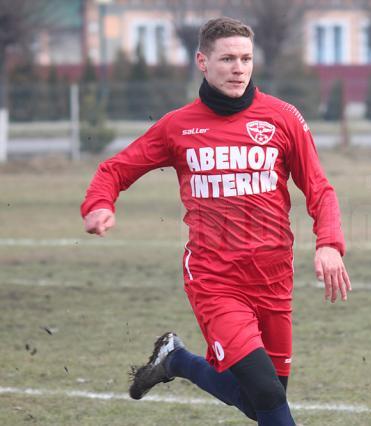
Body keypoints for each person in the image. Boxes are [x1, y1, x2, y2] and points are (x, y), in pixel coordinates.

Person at [81, 17, 351, 425]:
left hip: (274, 278)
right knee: (266, 394)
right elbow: (115, 170)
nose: (238, 68)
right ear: (202, 62)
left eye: (245, 58)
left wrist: (329, 243)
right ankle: (179, 360)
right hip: (215, 279)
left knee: (262, 400)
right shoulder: (178, 126)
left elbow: (319, 188)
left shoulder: (283, 118)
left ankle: (176, 360)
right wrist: (99, 204)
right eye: (227, 59)